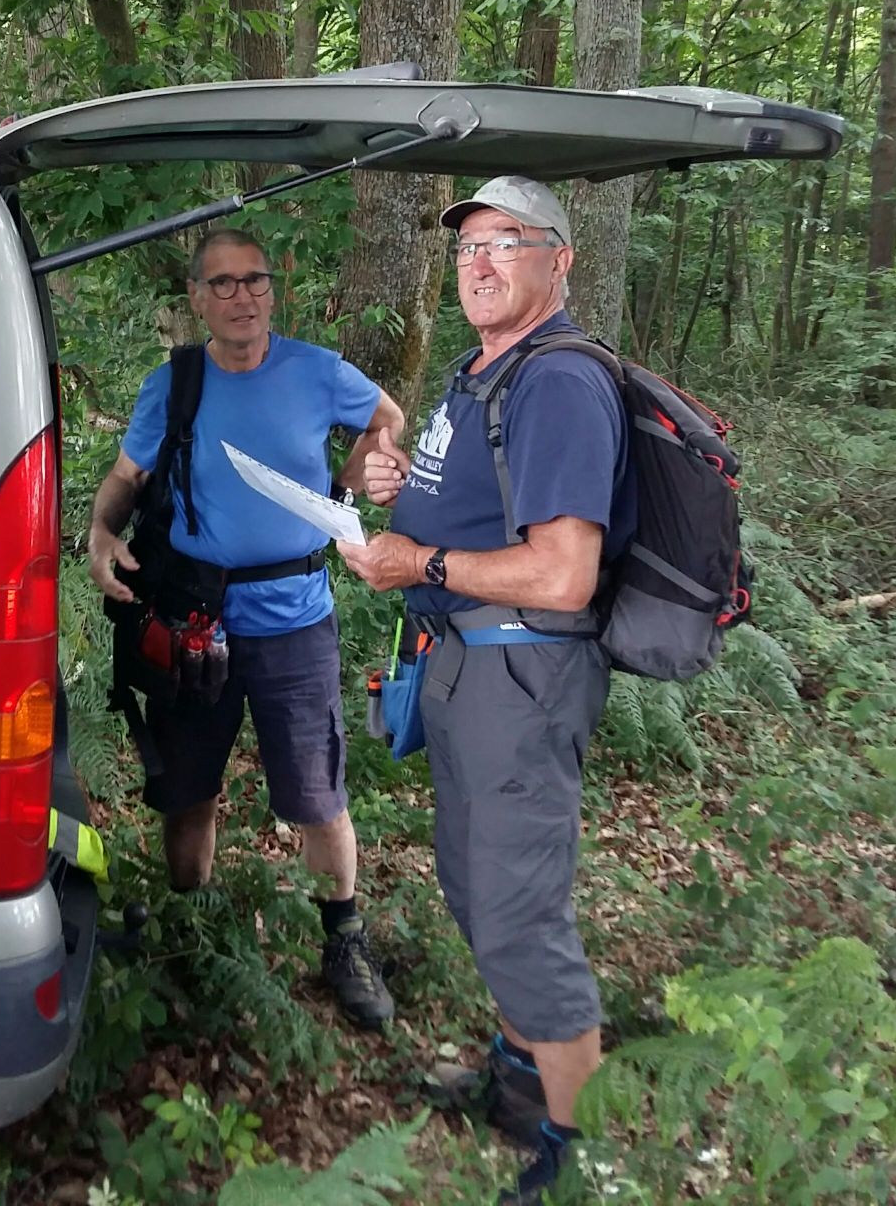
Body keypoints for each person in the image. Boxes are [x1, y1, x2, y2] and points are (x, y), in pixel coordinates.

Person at [337, 177, 634, 1203]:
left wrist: (416, 562)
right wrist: (396, 487)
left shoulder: (560, 383)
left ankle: (579, 1155)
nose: (479, 262)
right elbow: (468, 498)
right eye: (467, 245)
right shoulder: (481, 372)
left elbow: (564, 573)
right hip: (464, 664)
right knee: (475, 885)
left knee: (519, 914)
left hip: (522, 672)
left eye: (506, 241)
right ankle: (519, 1083)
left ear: (560, 260)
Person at [87, 227, 404, 1029]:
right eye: (222, 284)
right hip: (193, 621)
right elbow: (127, 476)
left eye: (254, 280)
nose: (241, 297)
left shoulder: (316, 371)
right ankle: (192, 934)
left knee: (318, 795)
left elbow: (388, 417)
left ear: (273, 289)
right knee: (187, 793)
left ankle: (343, 938)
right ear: (197, 298)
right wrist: (99, 534)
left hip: (297, 621)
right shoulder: (175, 384)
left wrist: (349, 485)